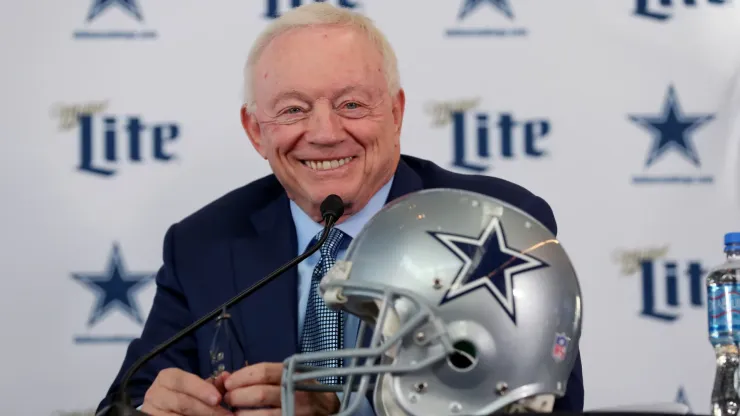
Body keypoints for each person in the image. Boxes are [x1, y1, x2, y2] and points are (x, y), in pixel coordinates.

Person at [97, 3, 584, 415]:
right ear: (255, 131)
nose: (326, 132)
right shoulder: (203, 243)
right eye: (292, 109)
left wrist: (344, 408)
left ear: (396, 113)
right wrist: (150, 409)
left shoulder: (492, 220)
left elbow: (542, 404)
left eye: (351, 104)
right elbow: (124, 399)